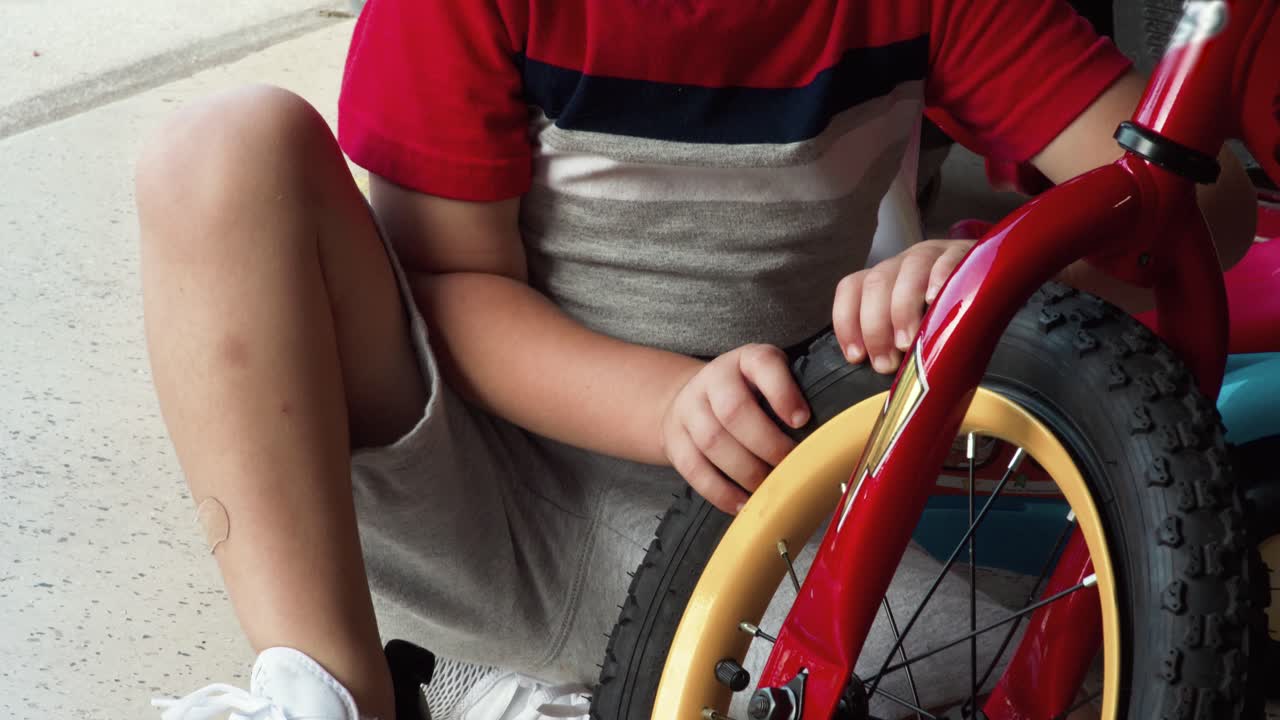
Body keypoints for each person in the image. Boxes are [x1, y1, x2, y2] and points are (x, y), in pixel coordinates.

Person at [136, 0, 1256, 718]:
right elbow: (451, 285)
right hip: (466, 491)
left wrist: (982, 269)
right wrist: (667, 402)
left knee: (1087, 660)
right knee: (219, 148)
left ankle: (528, 692)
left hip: (733, 533)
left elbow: (1200, 210)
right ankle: (333, 688)